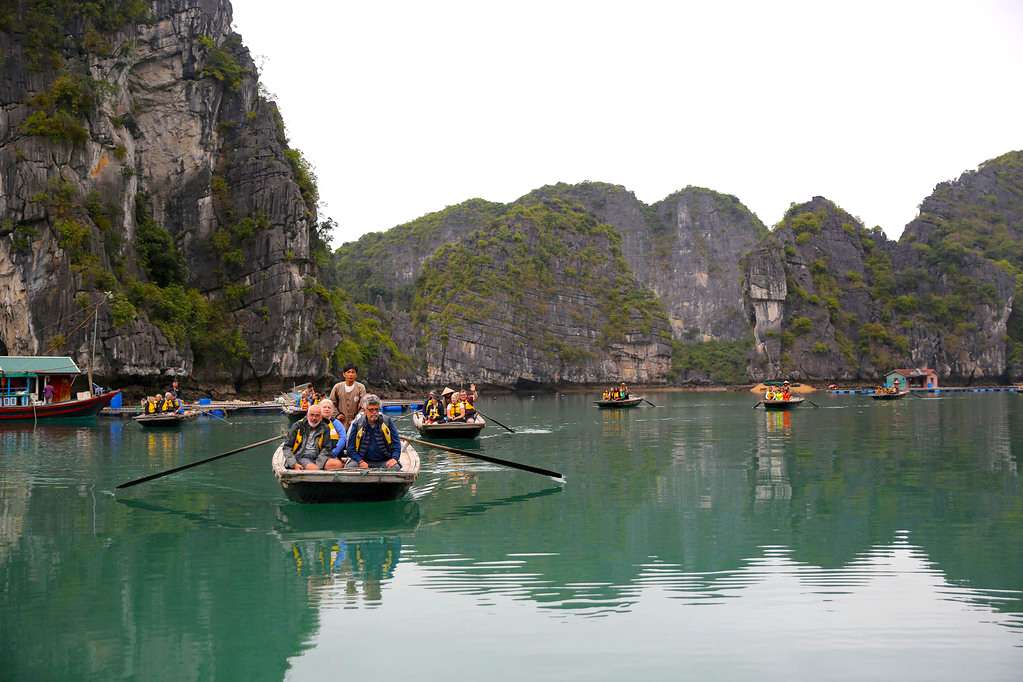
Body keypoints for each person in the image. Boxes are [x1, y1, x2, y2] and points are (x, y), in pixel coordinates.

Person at [345, 395, 401, 469]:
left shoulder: (387, 422)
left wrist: (394, 458)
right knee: (350, 467)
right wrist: (360, 461)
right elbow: (350, 448)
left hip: (384, 461)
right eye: (371, 410)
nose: (374, 412)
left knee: (395, 467)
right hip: (363, 461)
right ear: (365, 410)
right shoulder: (357, 424)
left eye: (377, 409)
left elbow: (396, 443)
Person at [283, 403, 333, 470]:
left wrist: (319, 463)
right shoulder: (297, 426)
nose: (314, 418)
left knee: (337, 464)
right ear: (307, 415)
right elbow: (287, 447)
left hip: (318, 456)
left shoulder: (325, 427)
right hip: (301, 456)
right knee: (314, 469)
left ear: (321, 417)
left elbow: (327, 448)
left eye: (317, 415)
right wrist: (293, 464)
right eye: (311, 415)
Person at [329, 364, 367, 430]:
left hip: (356, 423)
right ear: (344, 374)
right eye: (348, 372)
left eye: (353, 372)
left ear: (356, 375)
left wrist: (357, 418)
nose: (350, 374)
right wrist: (337, 415)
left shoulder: (361, 387)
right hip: (340, 422)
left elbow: (363, 406)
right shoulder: (337, 387)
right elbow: (331, 403)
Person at [317, 399, 347, 470]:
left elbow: (343, 437)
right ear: (319, 409)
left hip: (333, 452)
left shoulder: (336, 423)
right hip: (319, 452)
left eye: (329, 407)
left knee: (336, 464)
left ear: (332, 410)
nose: (327, 409)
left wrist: (334, 452)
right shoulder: (315, 421)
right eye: (324, 407)